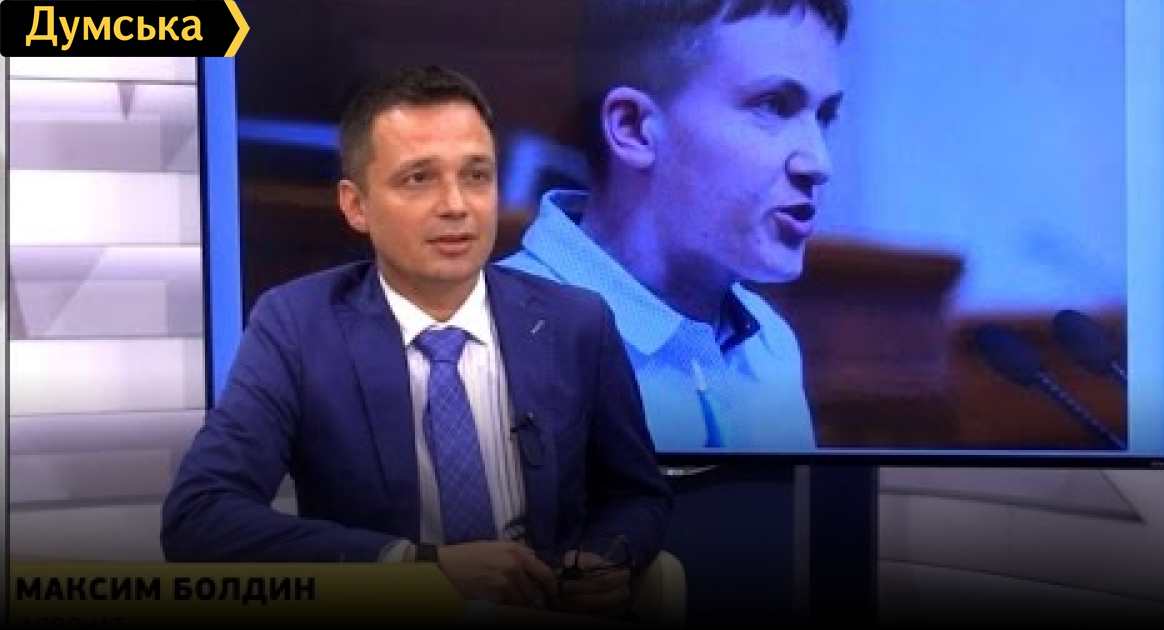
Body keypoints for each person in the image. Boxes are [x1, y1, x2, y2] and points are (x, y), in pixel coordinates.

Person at [161, 65, 672, 617]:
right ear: (356, 205)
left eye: (477, 175)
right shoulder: (297, 325)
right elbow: (201, 516)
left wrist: (604, 560)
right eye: (418, 179)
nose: (456, 205)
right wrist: (417, 568)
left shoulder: (577, 322)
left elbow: (634, 494)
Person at [501, 0, 848, 453]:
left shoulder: (770, 345)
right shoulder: (496, 346)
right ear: (633, 128)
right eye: (773, 105)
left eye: (824, 117)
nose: (819, 163)